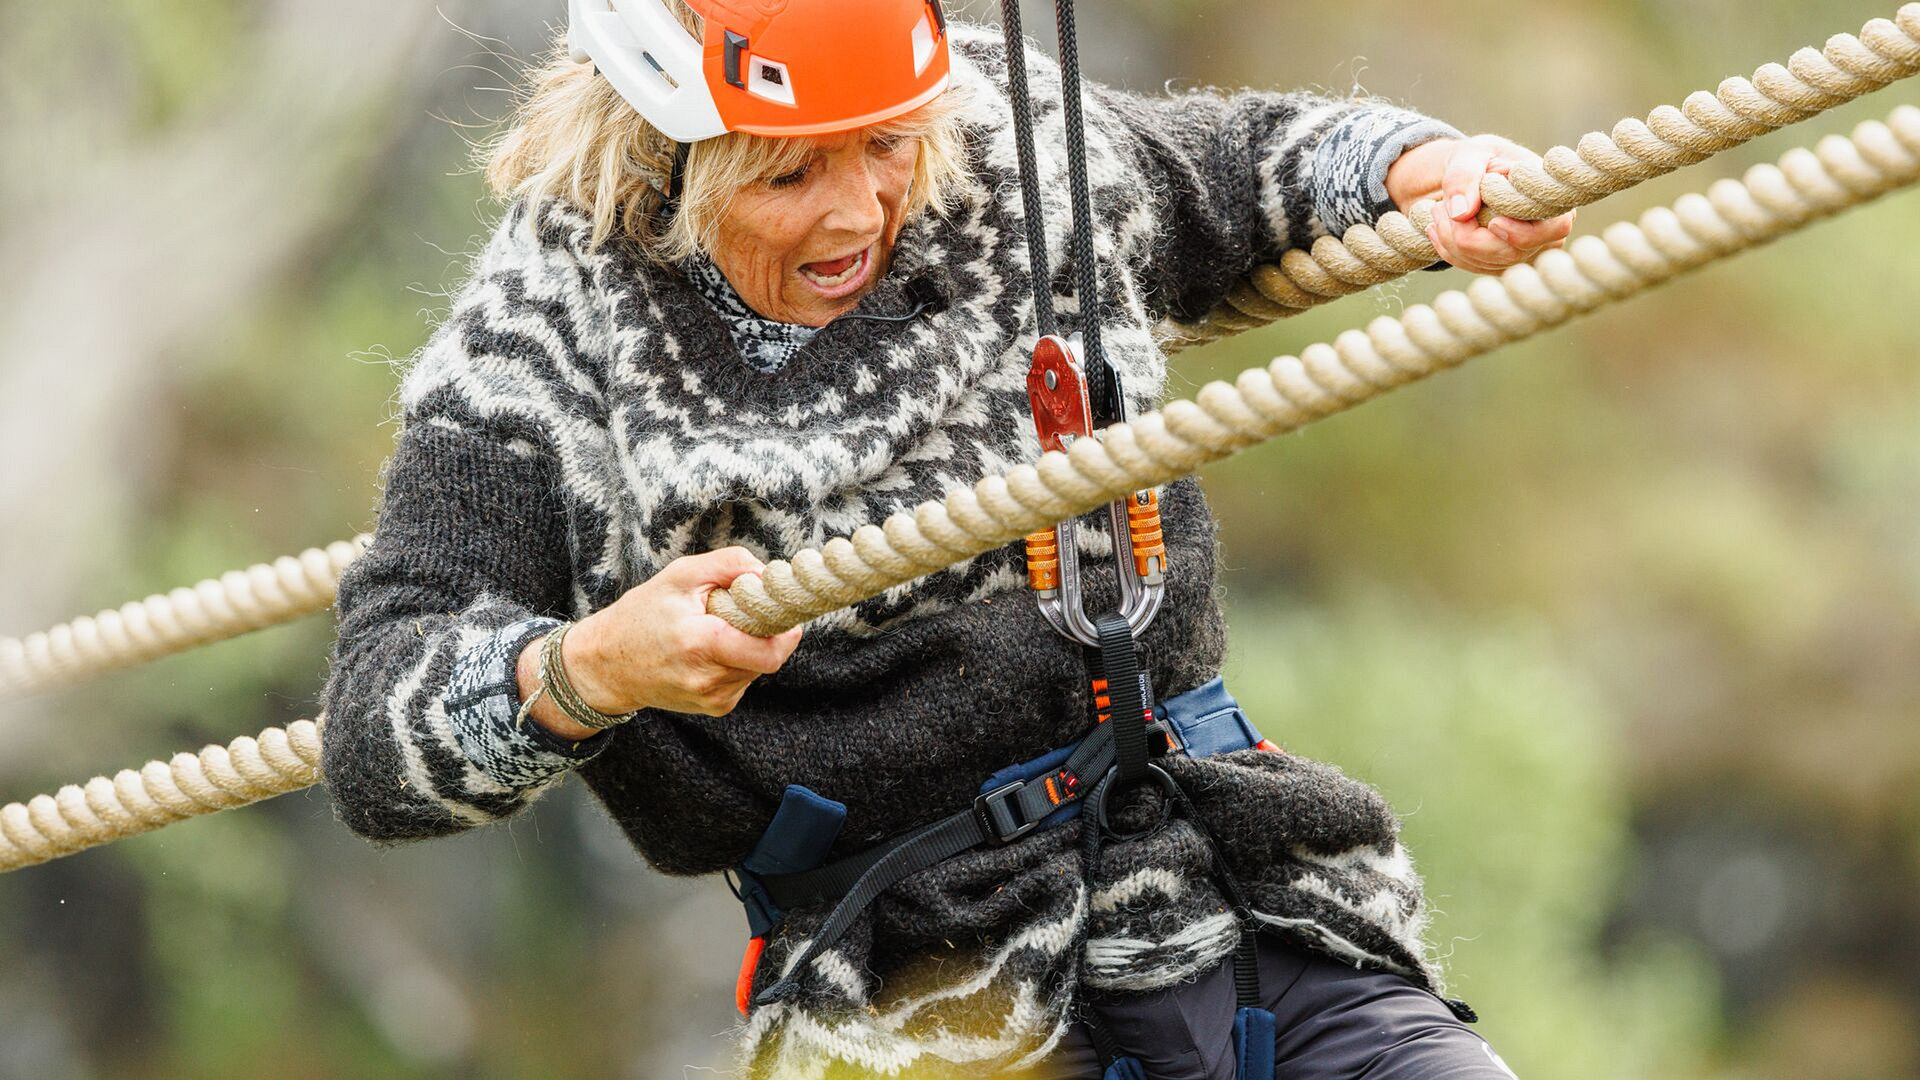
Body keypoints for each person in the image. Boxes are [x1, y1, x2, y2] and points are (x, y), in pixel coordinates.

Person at [319, 1, 1570, 1076]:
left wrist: (1418, 167)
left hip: (1234, 888)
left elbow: (1244, 167)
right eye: (788, 173)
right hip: (909, 989)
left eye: (884, 144)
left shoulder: (998, 136)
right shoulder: (543, 337)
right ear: (661, 155)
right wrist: (586, 674)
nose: (860, 208)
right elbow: (376, 729)